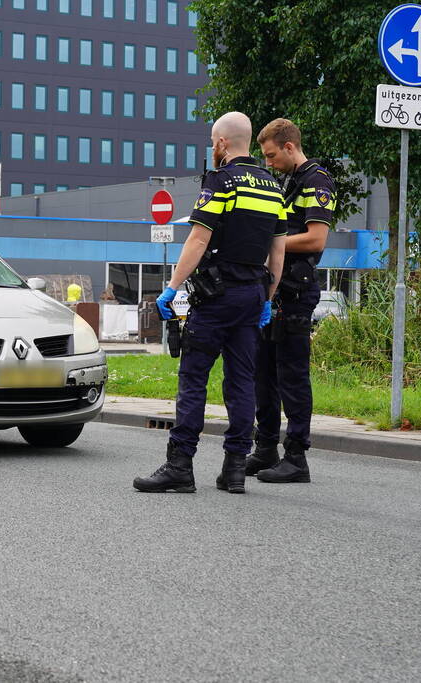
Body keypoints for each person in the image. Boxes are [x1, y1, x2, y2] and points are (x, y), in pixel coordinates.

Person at [133, 112, 286, 494]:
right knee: (241, 382)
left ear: (220, 143)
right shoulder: (273, 186)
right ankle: (234, 470)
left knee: (193, 378)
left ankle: (179, 465)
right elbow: (277, 249)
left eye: (212, 142)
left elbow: (199, 239)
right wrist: (267, 297)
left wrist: (171, 287)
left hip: (217, 295)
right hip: (253, 295)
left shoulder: (221, 180)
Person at [247, 118, 336, 483]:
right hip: (273, 290)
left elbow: (316, 240)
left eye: (271, 156)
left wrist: (270, 246)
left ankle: (296, 457)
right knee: (263, 375)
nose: (268, 163)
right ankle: (266, 448)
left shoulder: (317, 180)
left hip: (296, 292)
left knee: (292, 377)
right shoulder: (286, 180)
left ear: (288, 146)